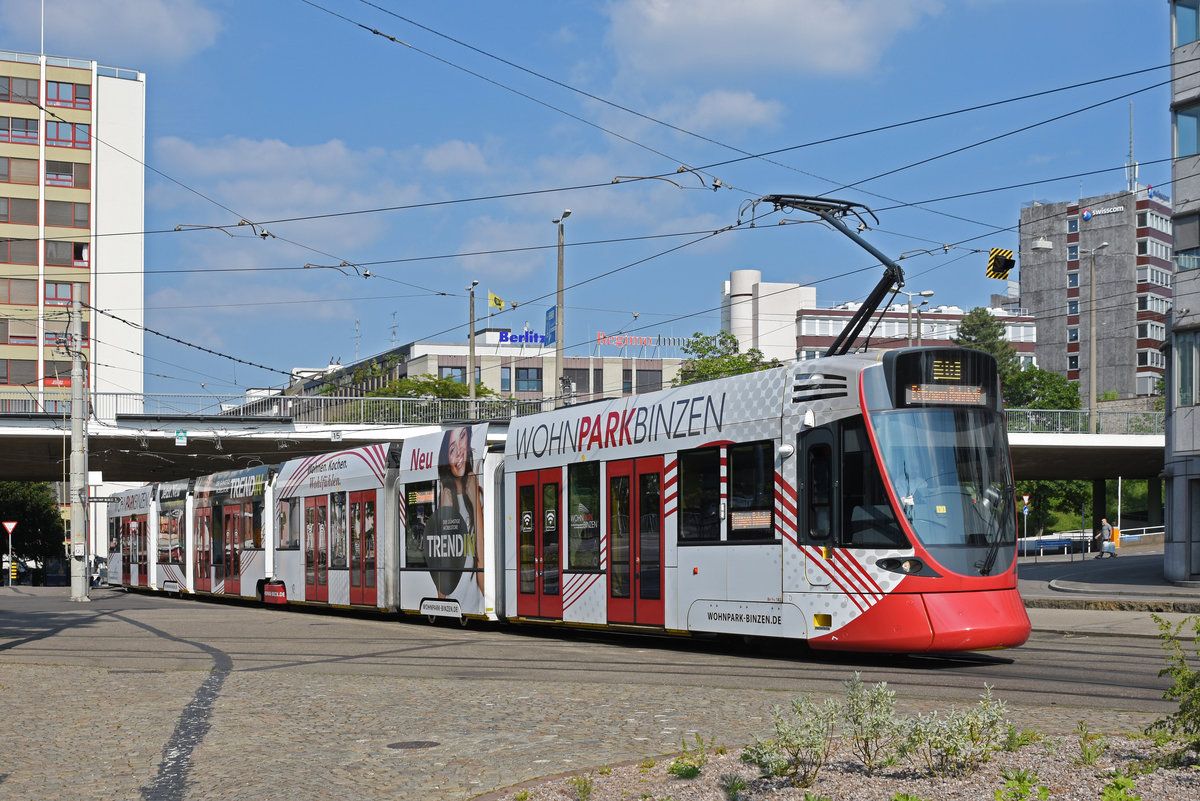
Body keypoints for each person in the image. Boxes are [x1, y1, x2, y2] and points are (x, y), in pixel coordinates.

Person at [438, 426, 485, 595]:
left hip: (475, 603)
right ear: (446, 461)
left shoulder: (481, 495)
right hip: (452, 601)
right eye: (452, 449)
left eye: (463, 437)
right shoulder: (444, 500)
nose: (459, 451)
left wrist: (475, 505)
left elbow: (484, 583)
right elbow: (442, 591)